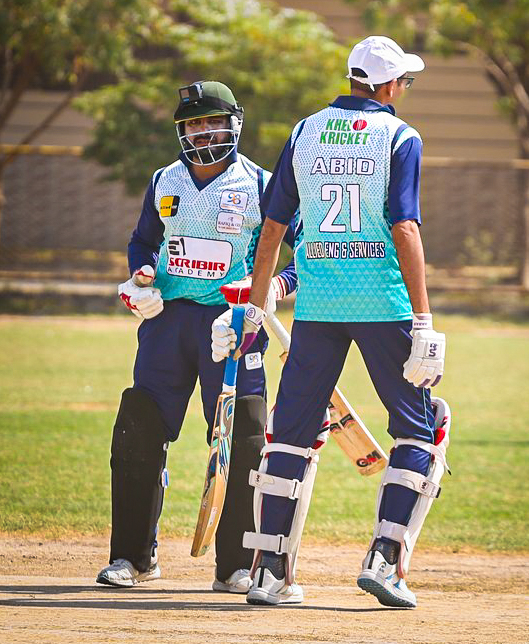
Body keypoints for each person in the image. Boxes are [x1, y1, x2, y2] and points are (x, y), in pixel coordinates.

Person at [212, 35, 450, 609]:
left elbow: (272, 230)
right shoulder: (401, 137)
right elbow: (405, 228)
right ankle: (384, 562)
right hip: (382, 303)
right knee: (423, 428)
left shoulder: (304, 131)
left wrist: (255, 307)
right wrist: (423, 320)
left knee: (290, 434)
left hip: (318, 306)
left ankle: (268, 574)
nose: (404, 90)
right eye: (404, 81)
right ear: (387, 85)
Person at [95, 80, 296, 593]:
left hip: (233, 326)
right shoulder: (164, 180)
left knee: (242, 439)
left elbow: (306, 252)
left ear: (235, 124)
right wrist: (140, 277)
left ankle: (235, 565)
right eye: (192, 124)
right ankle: (133, 557)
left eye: (212, 122)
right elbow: (143, 241)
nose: (203, 132)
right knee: (139, 430)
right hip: (167, 324)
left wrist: (274, 288)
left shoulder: (261, 183)